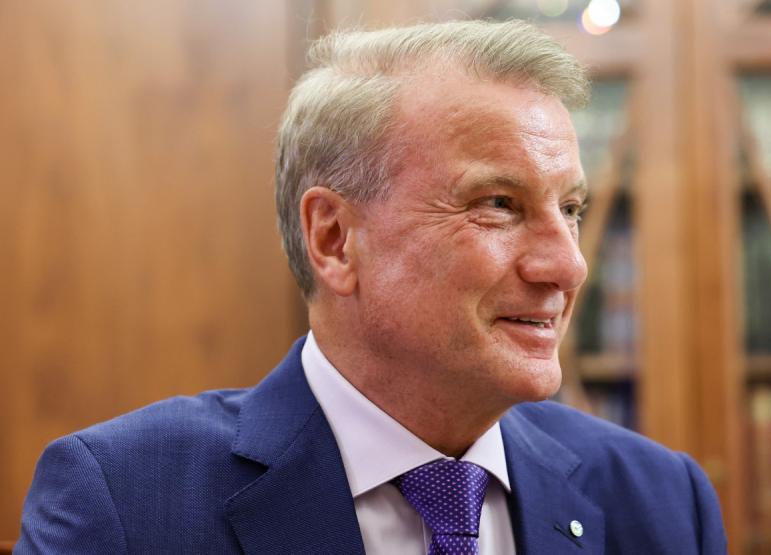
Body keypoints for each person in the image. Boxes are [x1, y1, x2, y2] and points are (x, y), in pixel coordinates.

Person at [16, 20, 727, 554]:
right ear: (334, 239)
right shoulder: (125, 501)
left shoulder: (661, 503)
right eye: (498, 204)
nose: (568, 266)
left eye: (570, 209)